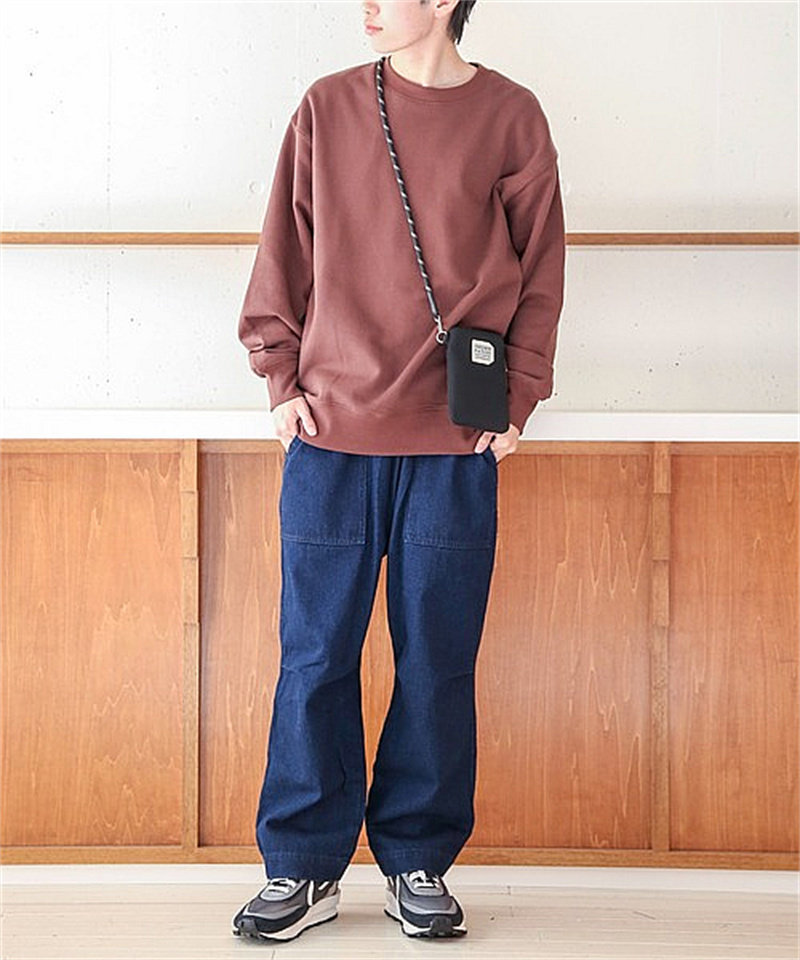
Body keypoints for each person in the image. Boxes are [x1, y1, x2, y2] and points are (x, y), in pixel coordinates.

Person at [232, 0, 565, 944]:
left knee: (437, 659)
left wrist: (518, 397)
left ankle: (417, 858)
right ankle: (302, 866)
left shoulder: (511, 116)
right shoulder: (328, 106)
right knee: (314, 656)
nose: (368, 6)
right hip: (330, 431)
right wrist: (279, 375)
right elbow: (285, 242)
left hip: (457, 441)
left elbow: (541, 269)